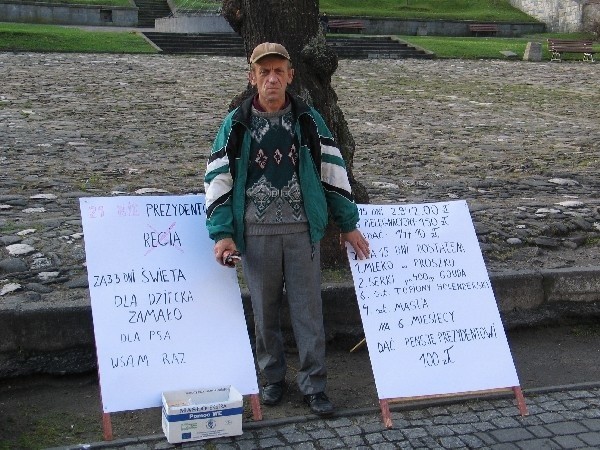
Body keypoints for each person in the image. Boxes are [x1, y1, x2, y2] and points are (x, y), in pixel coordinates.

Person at [204, 42, 369, 416]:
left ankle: (314, 385)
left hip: (301, 231)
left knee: (308, 311)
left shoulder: (308, 120)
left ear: (290, 76)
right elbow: (217, 180)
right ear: (253, 78)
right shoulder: (236, 124)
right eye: (265, 72)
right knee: (264, 312)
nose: (272, 79)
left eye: (279, 71)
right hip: (255, 232)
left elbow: (332, 171)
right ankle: (272, 379)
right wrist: (223, 234)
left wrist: (347, 224)